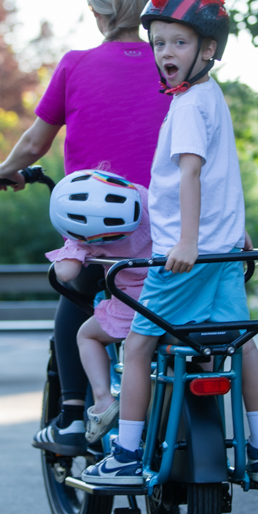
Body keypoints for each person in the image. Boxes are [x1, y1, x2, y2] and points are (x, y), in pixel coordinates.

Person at [82, 0, 258, 485]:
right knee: (241, 343)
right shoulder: (212, 97)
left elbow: (191, 174)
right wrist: (235, 233)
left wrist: (188, 241)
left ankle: (125, 455)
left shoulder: (189, 106)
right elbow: (224, 178)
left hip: (183, 258)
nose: (165, 53)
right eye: (160, 42)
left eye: (179, 42)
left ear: (207, 50)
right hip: (224, 256)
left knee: (139, 344)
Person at [0, 0, 171, 455]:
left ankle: (73, 415)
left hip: (103, 226)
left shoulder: (75, 64)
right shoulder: (172, 64)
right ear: (147, 0)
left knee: (75, 293)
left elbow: (32, 146)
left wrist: (6, 171)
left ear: (94, 8)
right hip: (170, 227)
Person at [45, 171, 154, 443]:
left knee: (87, 334)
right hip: (178, 297)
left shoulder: (87, 237)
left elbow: (67, 274)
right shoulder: (146, 197)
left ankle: (103, 401)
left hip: (135, 309)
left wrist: (75, 245)